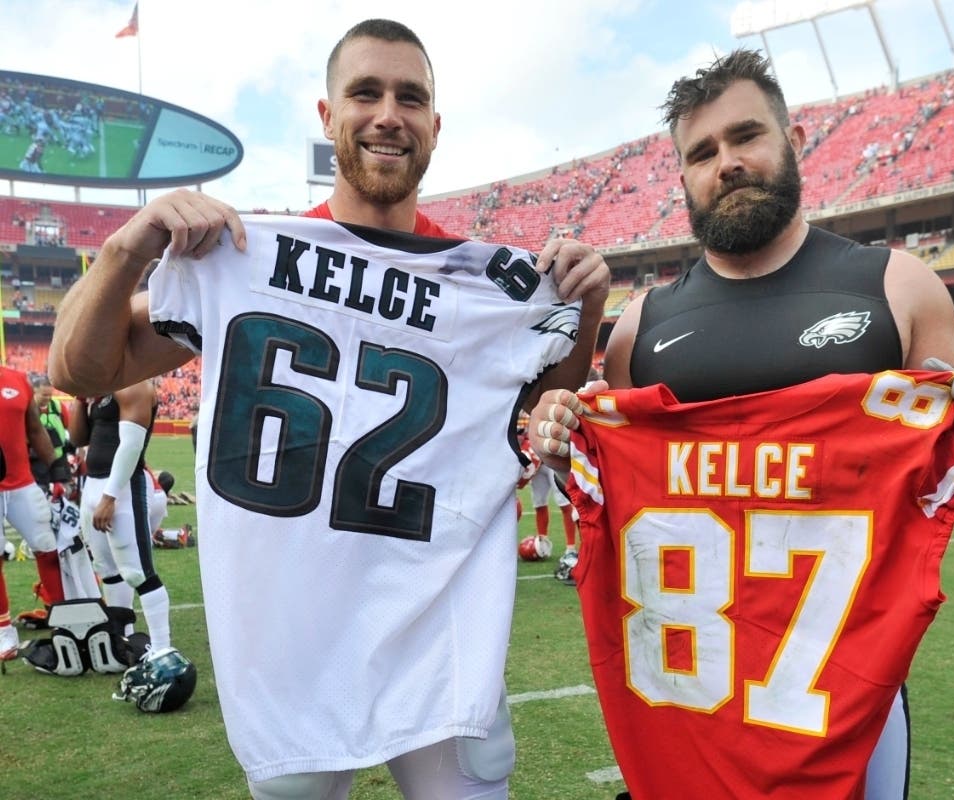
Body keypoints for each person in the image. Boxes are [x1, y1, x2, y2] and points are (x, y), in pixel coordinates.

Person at [48, 18, 608, 800]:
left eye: (409, 97)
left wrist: (583, 306)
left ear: (435, 126)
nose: (388, 113)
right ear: (327, 116)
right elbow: (76, 368)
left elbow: (546, 400)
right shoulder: (248, 257)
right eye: (366, 93)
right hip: (294, 633)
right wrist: (125, 247)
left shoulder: (485, 285)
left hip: (437, 625)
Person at [528, 49, 954, 800]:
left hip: (841, 702)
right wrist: (558, 424)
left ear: (793, 139)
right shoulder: (641, 328)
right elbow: (606, 484)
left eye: (746, 137)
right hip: (685, 701)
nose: (727, 162)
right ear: (682, 178)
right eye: (702, 152)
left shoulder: (896, 287)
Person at [66, 381, 172, 653]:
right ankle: (121, 636)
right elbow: (79, 439)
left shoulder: (135, 383)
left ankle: (162, 650)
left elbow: (131, 446)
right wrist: (80, 400)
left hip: (122, 487)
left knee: (138, 572)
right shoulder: (105, 386)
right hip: (92, 484)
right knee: (107, 570)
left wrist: (110, 497)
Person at [0, 365, 70, 662]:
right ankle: (4, 629)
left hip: (22, 483)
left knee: (50, 547)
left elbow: (34, 428)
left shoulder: (17, 379)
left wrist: (57, 467)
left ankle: (63, 616)